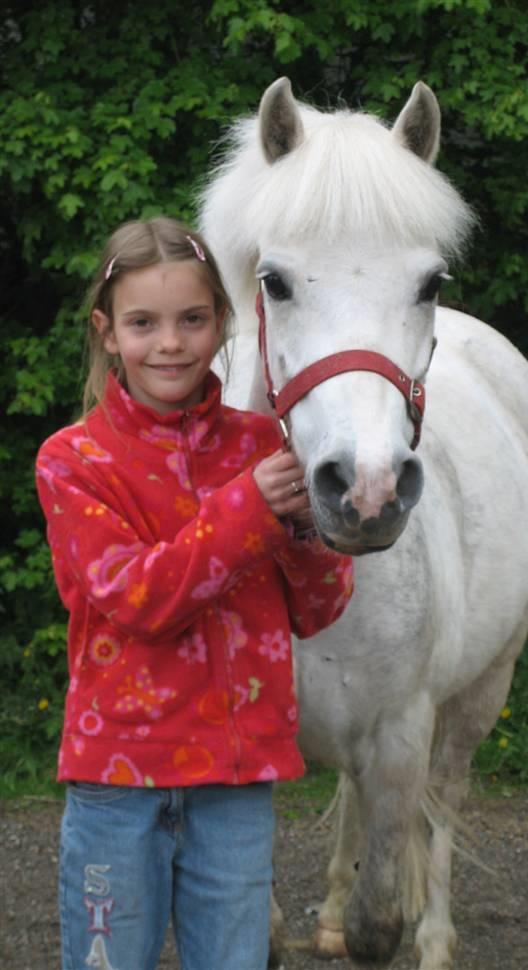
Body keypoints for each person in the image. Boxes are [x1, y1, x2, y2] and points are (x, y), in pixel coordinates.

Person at [35, 216, 353, 970]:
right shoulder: (73, 460)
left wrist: (307, 529)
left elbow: (316, 609)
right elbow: (138, 598)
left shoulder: (263, 446)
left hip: (235, 779)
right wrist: (252, 509)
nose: (170, 342)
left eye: (192, 320)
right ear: (106, 332)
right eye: (143, 323)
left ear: (223, 325)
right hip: (118, 777)